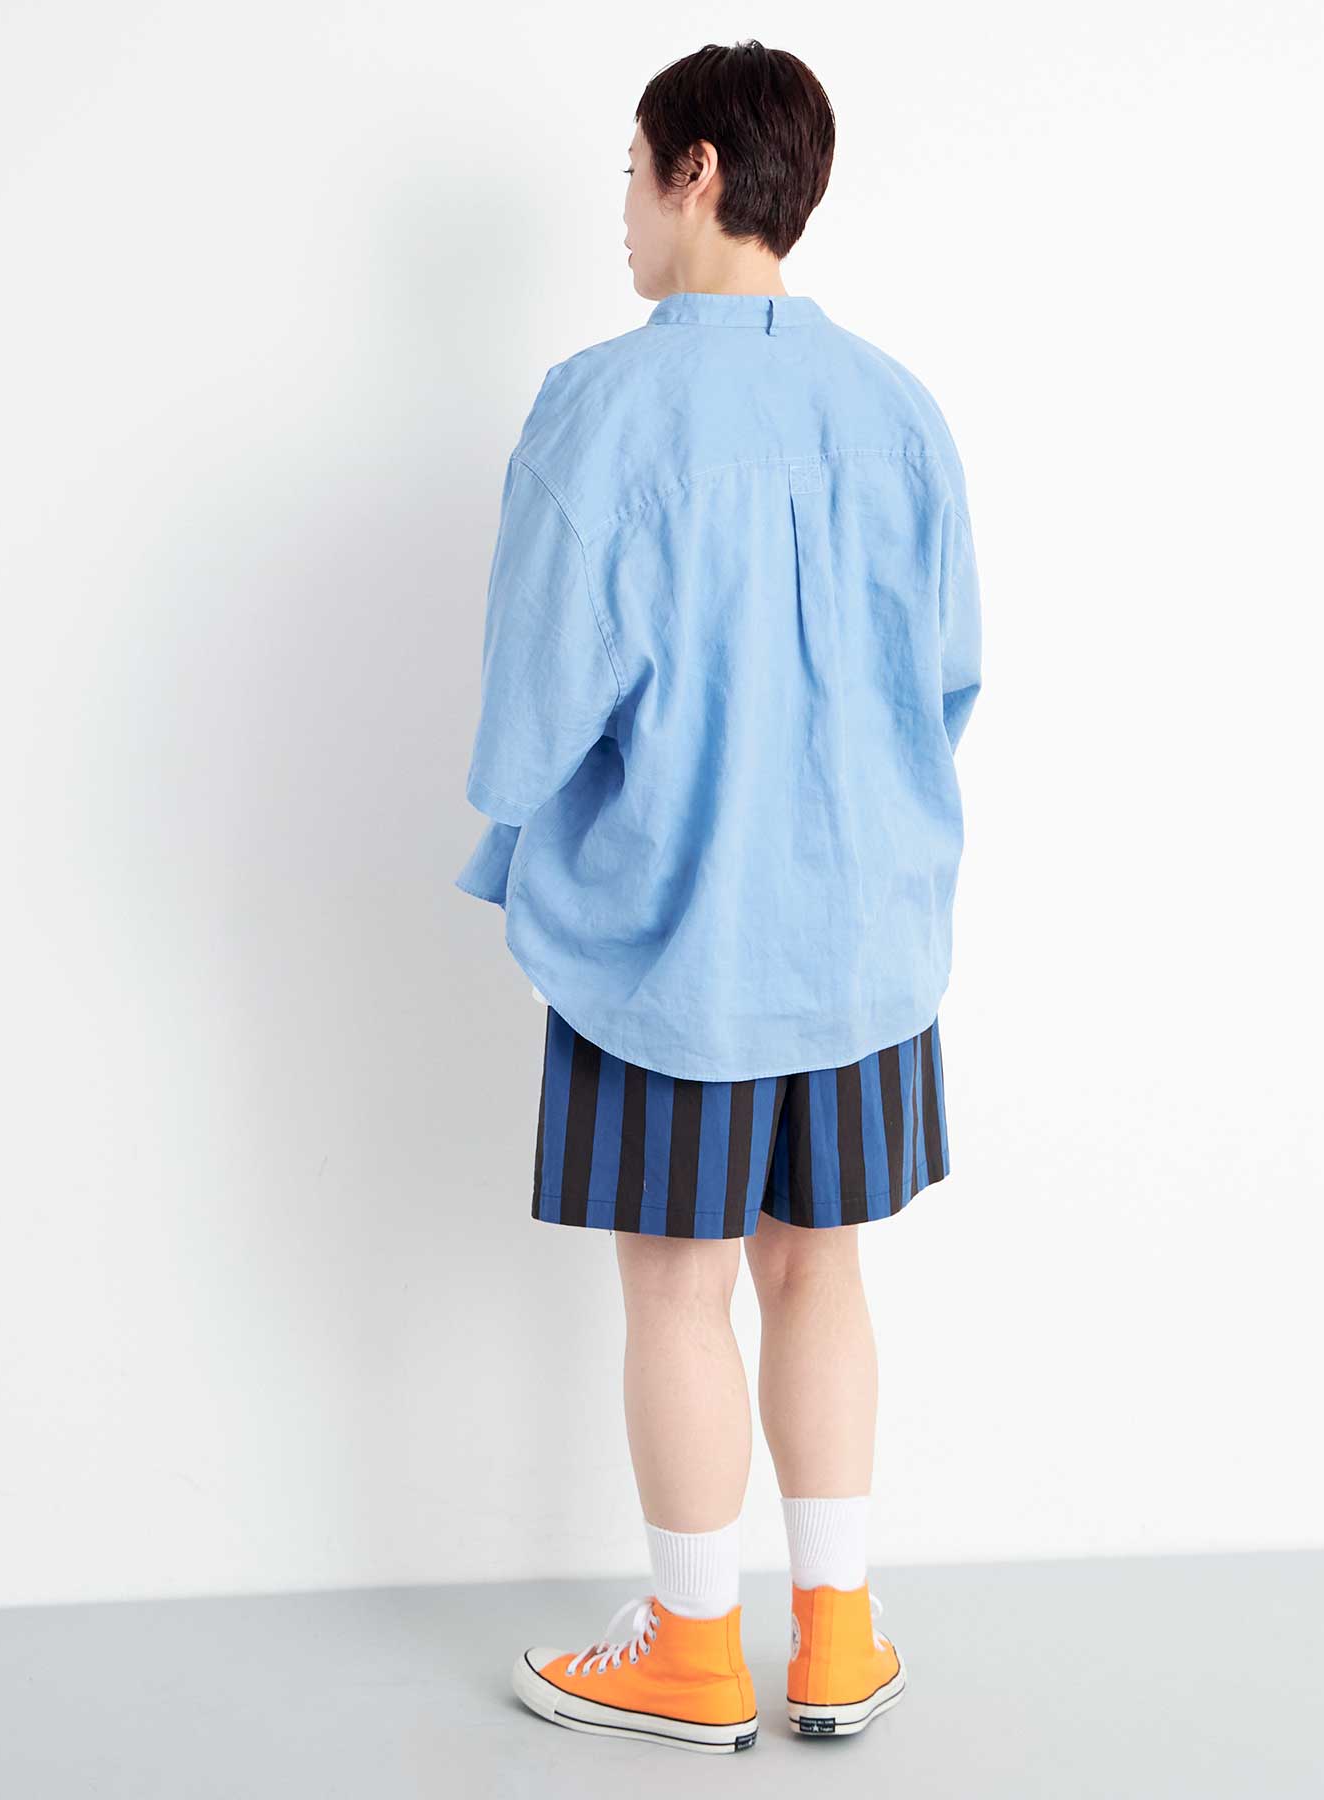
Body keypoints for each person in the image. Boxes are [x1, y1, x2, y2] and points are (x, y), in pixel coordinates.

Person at [455, 39, 981, 1755]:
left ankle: (690, 1655)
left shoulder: (598, 410)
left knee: (677, 1291)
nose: (620, 207)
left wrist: (519, 856)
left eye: (630, 169)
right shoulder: (897, 408)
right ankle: (836, 1641)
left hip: (673, 939)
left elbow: (533, 712)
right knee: (819, 1269)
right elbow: (947, 678)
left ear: (694, 171)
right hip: (864, 941)